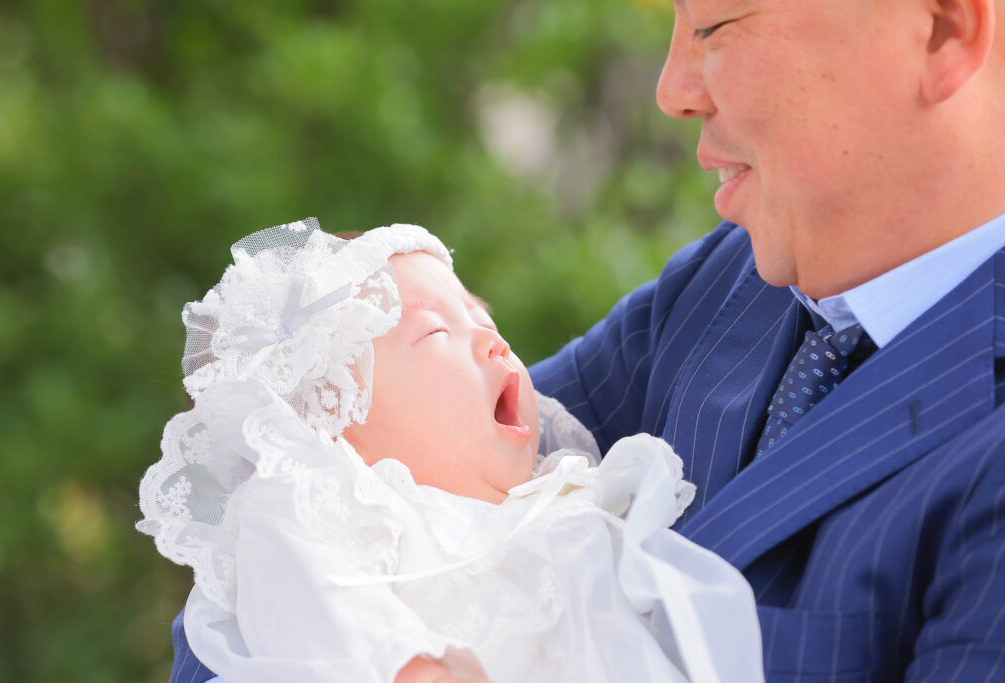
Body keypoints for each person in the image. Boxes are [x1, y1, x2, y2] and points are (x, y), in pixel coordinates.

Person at [168, 0, 1005, 679]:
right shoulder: (726, 282)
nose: (673, 88)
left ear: (941, 29)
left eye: (715, 26)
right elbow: (337, 470)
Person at [138, 221, 764, 683]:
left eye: (484, 319)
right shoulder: (325, 500)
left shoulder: (572, 493)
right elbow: (308, 595)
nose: (493, 343)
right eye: (438, 331)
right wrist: (407, 665)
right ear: (335, 422)